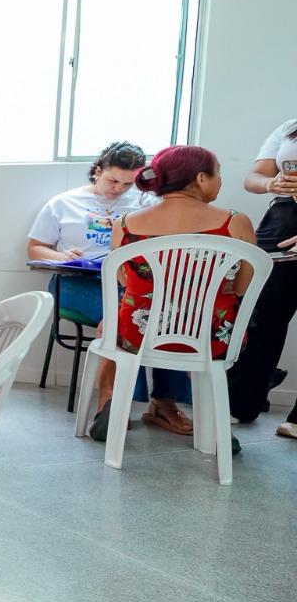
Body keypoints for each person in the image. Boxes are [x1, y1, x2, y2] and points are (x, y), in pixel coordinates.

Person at [87, 146, 259, 447]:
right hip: (212, 337)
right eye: (218, 173)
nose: (220, 181)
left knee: (116, 322)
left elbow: (125, 280)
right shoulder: (235, 222)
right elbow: (244, 285)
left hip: (138, 335)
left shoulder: (125, 225)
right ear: (200, 177)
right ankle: (215, 420)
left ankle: (109, 402)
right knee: (218, 324)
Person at [27, 142, 194, 433]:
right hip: (77, 282)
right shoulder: (64, 203)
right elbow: (35, 248)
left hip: (128, 282)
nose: (118, 189)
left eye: (127, 184)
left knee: (164, 317)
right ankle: (112, 401)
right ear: (97, 170)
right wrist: (61, 255)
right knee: (128, 318)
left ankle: (160, 402)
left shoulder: (145, 205)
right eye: (112, 180)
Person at [226, 118, 297, 436]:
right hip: (282, 218)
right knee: (260, 314)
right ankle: (240, 404)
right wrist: (271, 184)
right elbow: (253, 177)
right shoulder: (289, 126)